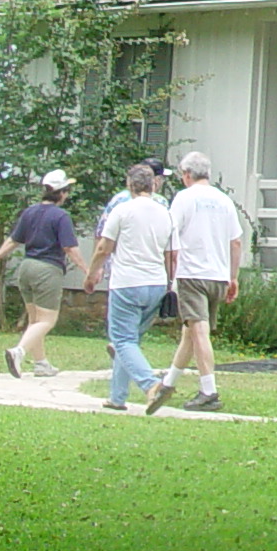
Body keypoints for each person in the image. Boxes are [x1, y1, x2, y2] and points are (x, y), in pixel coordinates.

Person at [148, 151, 244, 414]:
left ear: (187, 174)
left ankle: (208, 391)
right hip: (218, 275)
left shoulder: (184, 198)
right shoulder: (224, 200)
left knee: (199, 332)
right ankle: (168, 384)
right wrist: (233, 276)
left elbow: (170, 234)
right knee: (190, 332)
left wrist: (169, 270)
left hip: (192, 273)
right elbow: (235, 241)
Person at [83, 162, 173, 412]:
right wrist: (169, 283)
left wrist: (91, 275)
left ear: (129, 184)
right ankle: (117, 396)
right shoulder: (165, 212)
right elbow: (171, 253)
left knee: (122, 339)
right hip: (156, 282)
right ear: (153, 184)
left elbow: (104, 247)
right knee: (131, 341)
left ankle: (151, 385)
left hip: (127, 282)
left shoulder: (122, 211)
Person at [0, 169, 80, 379]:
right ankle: (19, 351)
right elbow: (70, 248)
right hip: (47, 270)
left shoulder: (30, 212)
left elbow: (13, 240)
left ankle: (41, 363)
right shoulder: (61, 216)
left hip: (26, 268)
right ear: (61, 193)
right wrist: (88, 270)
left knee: (35, 320)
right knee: (47, 321)